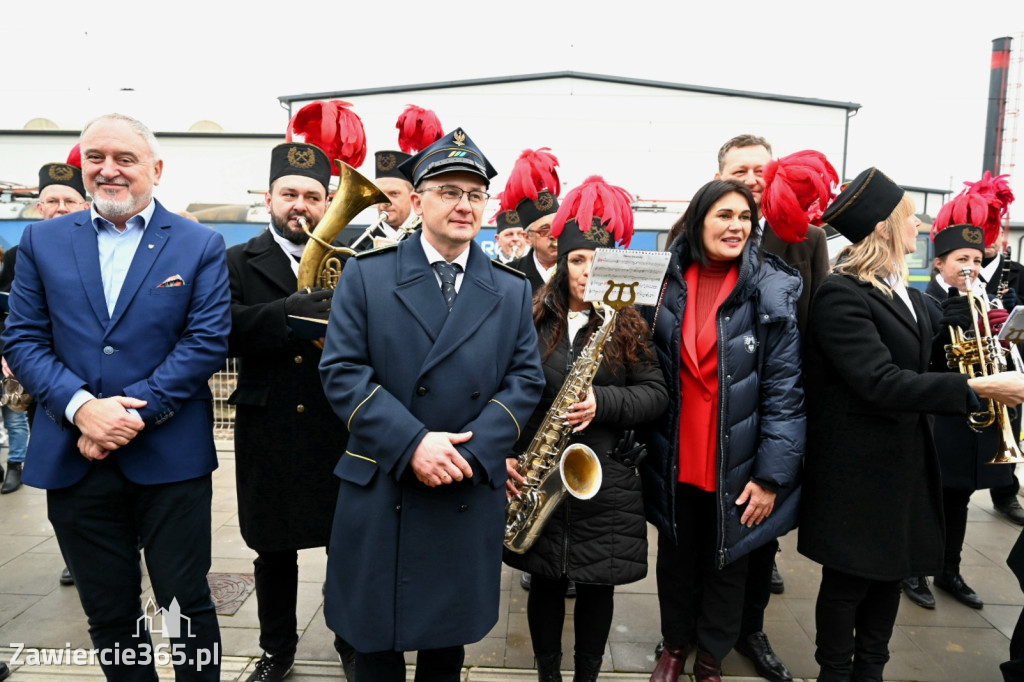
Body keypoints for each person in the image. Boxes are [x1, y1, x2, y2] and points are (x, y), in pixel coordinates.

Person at [1, 113, 231, 680]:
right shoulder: (42, 239)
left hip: (169, 457)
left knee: (184, 605)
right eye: (96, 158)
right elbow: (23, 337)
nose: (108, 170)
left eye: (124, 159)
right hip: (74, 456)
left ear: (155, 168)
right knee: (108, 610)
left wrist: (125, 416)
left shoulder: (200, 244)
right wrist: (83, 410)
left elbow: (205, 342)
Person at [318, 127, 546, 682]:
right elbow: (342, 373)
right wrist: (413, 443)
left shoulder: (511, 288)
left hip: (464, 484)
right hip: (385, 482)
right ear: (418, 202)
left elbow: (525, 380)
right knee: (373, 644)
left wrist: (471, 451)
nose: (463, 204)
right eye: (448, 191)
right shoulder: (368, 276)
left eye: (474, 194)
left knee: (446, 650)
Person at [797, 167, 1024, 682]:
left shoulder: (913, 297)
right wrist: (984, 389)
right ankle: (835, 672)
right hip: (857, 469)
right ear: (883, 227)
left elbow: (938, 362)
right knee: (849, 584)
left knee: (890, 576)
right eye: (909, 216)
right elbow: (880, 381)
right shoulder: (842, 295)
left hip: (905, 464)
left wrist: (989, 334)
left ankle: (872, 669)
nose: (920, 225)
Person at [503, 175, 669, 682]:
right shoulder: (531, 316)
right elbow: (504, 388)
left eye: (597, 260)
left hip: (608, 480)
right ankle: (548, 674)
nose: (587, 270)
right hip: (540, 474)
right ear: (561, 263)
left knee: (599, 587)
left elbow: (657, 394)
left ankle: (587, 676)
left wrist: (603, 401)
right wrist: (506, 454)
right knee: (546, 584)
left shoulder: (628, 322)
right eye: (577, 259)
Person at [642, 179, 805, 682]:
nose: (736, 226)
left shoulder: (772, 288)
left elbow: (785, 390)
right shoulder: (661, 282)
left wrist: (772, 476)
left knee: (729, 565)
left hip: (739, 458)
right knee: (675, 557)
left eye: (744, 218)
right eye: (723, 216)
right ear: (697, 221)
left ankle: (711, 658)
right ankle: (674, 647)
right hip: (674, 452)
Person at [226, 141, 356, 682]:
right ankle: (276, 650)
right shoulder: (235, 259)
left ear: (328, 201)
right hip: (270, 424)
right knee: (272, 551)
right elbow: (218, 333)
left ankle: (354, 643)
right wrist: (284, 314)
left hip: (337, 426)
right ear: (268, 198)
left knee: (347, 548)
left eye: (311, 195)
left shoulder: (353, 258)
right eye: (288, 195)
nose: (299, 205)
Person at [0, 157, 91, 586]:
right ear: (38, 207)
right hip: (43, 383)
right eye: (50, 200)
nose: (58, 207)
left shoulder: (102, 247)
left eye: (68, 200)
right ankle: (75, 552)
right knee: (61, 471)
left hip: (94, 379)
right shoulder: (22, 254)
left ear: (84, 204)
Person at [506, 149, 562, 293]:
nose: (554, 234)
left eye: (557, 226)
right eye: (544, 229)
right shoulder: (509, 275)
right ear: (527, 238)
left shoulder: (578, 271)